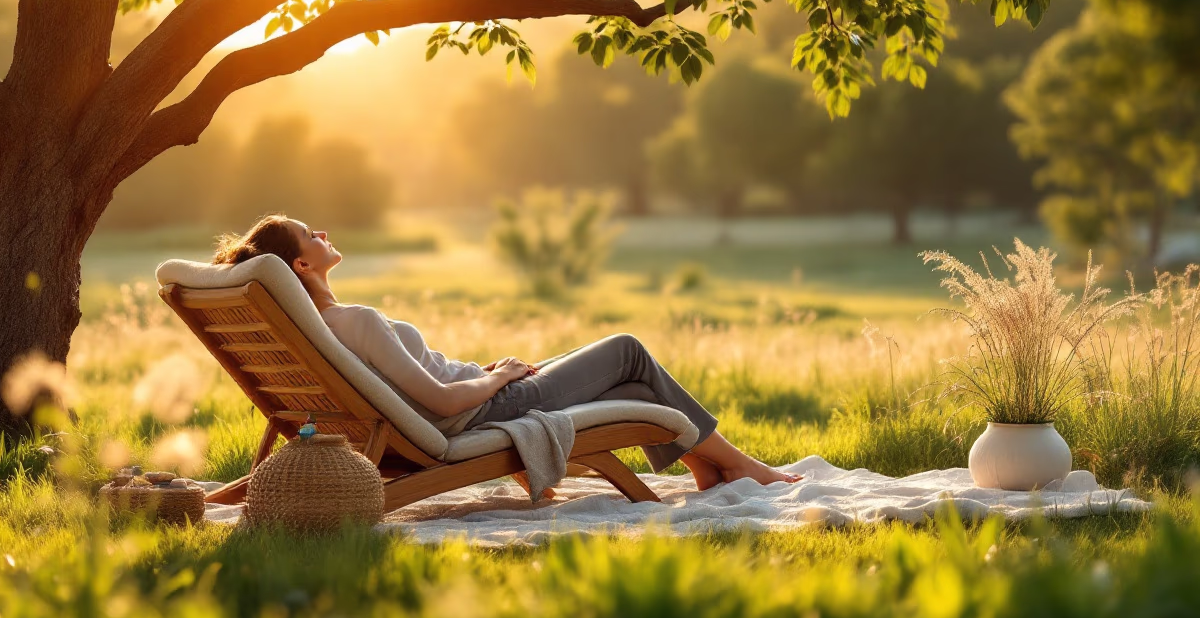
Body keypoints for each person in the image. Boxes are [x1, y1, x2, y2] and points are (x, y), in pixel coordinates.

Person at [212, 214, 802, 490]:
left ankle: (707, 465)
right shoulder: (354, 322)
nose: (322, 228)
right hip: (481, 410)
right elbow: (440, 399)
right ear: (302, 266)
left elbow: (430, 390)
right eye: (309, 231)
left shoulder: (332, 328)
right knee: (628, 351)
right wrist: (501, 381)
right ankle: (740, 466)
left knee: (633, 394)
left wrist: (490, 373)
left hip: (479, 396)